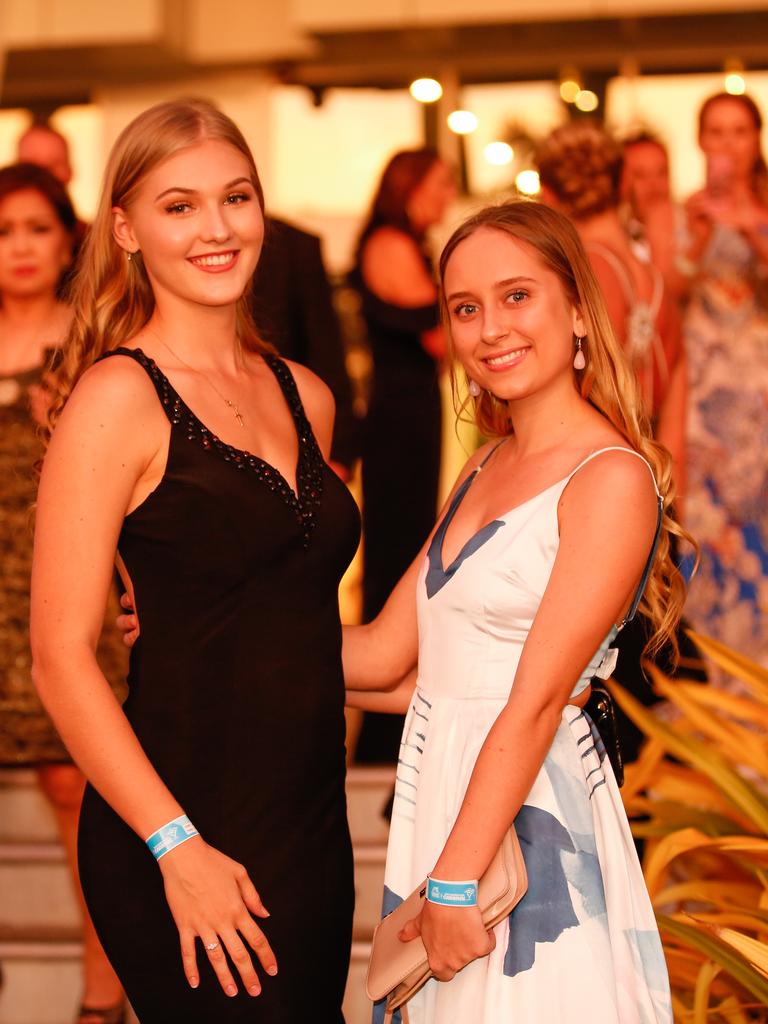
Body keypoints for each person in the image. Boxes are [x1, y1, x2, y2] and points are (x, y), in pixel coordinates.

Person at [30, 98, 360, 1023]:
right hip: (175, 823)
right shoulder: (114, 399)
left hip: (307, 825)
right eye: (179, 206)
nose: (217, 229)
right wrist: (176, 847)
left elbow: (298, 633)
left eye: (236, 197)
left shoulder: (309, 398)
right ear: (127, 229)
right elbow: (59, 656)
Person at [343, 200, 683, 1023]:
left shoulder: (609, 478)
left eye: (517, 296)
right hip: (449, 805)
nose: (490, 327)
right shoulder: (485, 466)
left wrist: (456, 880)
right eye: (466, 308)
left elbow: (533, 702)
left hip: (529, 826)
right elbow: (387, 660)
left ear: (575, 309)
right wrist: (212, 630)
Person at [0, 162, 128, 1024]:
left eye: (36, 228)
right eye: (3, 231)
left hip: (59, 584)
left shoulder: (95, 347)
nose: (19, 248)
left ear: (67, 237)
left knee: (78, 790)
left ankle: (101, 997)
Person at [351, 147, 456, 763]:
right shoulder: (389, 242)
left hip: (418, 413)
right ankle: (385, 735)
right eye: (440, 183)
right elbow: (441, 333)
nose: (446, 195)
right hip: (399, 420)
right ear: (409, 185)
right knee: (401, 558)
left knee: (413, 552)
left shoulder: (409, 243)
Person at [536, 121, 685, 484]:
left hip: (599, 471)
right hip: (651, 464)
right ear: (622, 185)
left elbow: (579, 392)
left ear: (547, 195)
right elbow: (677, 381)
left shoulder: (587, 269)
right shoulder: (650, 273)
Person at [681, 91, 768, 666]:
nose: (728, 143)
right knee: (707, 525)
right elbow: (671, 289)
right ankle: (717, 684)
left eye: (739, 130)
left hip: (759, 384)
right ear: (701, 140)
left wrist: (752, 229)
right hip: (703, 386)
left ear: (756, 137)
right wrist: (703, 236)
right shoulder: (689, 207)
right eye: (717, 131)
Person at [250, 215, 359, 477]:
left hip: (295, 443)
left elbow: (325, 346)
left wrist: (339, 453)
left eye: (237, 198)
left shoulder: (293, 247)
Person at [620, 132, 691, 303]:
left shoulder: (693, 227)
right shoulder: (617, 236)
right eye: (640, 175)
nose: (653, 184)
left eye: (661, 173)